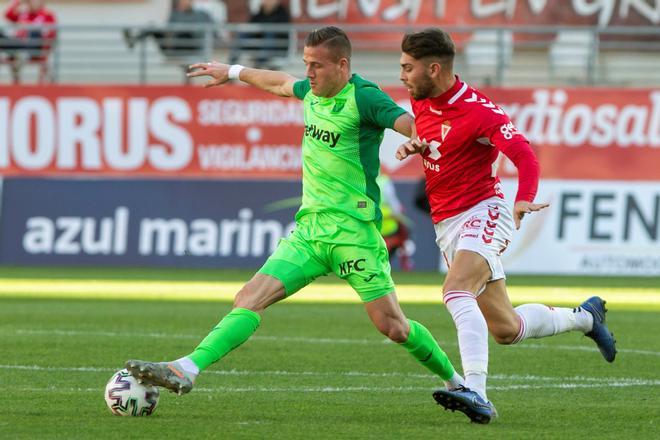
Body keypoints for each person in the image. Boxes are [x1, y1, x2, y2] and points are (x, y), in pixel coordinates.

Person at [125, 26, 472, 417]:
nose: (309, 73)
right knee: (249, 298)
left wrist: (417, 139)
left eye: (317, 66)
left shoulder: (363, 96)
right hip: (309, 232)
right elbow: (279, 83)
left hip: (354, 235)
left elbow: (407, 121)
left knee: (394, 327)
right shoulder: (313, 91)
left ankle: (458, 384)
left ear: (342, 65)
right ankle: (185, 368)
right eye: (306, 64)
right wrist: (234, 71)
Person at [395, 28, 617, 424]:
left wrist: (523, 198)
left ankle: (476, 392)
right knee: (506, 328)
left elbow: (525, 157)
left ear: (433, 68)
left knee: (455, 289)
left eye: (407, 68)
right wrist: (418, 143)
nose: (402, 76)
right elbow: (433, 135)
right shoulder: (421, 97)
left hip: (485, 211)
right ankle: (585, 318)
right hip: (448, 224)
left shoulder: (481, 111)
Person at [124, 0, 215, 57]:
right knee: (152, 26)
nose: (184, 2)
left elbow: (213, 28)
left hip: (192, 45)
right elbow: (168, 29)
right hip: (174, 46)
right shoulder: (175, 15)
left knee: (185, 32)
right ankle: (133, 40)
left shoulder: (201, 14)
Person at [1, 0, 56, 83]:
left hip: (35, 46)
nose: (33, 3)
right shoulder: (23, 14)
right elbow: (8, 15)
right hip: (18, 43)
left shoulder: (47, 15)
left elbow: (51, 35)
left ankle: (21, 54)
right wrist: (18, 2)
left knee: (34, 31)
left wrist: (29, 26)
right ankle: (17, 55)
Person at [228, 0, 290, 69]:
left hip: (276, 46)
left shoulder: (282, 13)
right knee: (242, 34)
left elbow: (281, 33)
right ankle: (231, 63)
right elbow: (251, 26)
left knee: (269, 34)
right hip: (259, 42)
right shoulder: (259, 13)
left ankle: (260, 64)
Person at [376, 171, 412, 271]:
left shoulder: (361, 179)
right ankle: (405, 260)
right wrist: (398, 212)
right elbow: (392, 200)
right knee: (408, 229)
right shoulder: (384, 181)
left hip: (371, 221)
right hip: (388, 222)